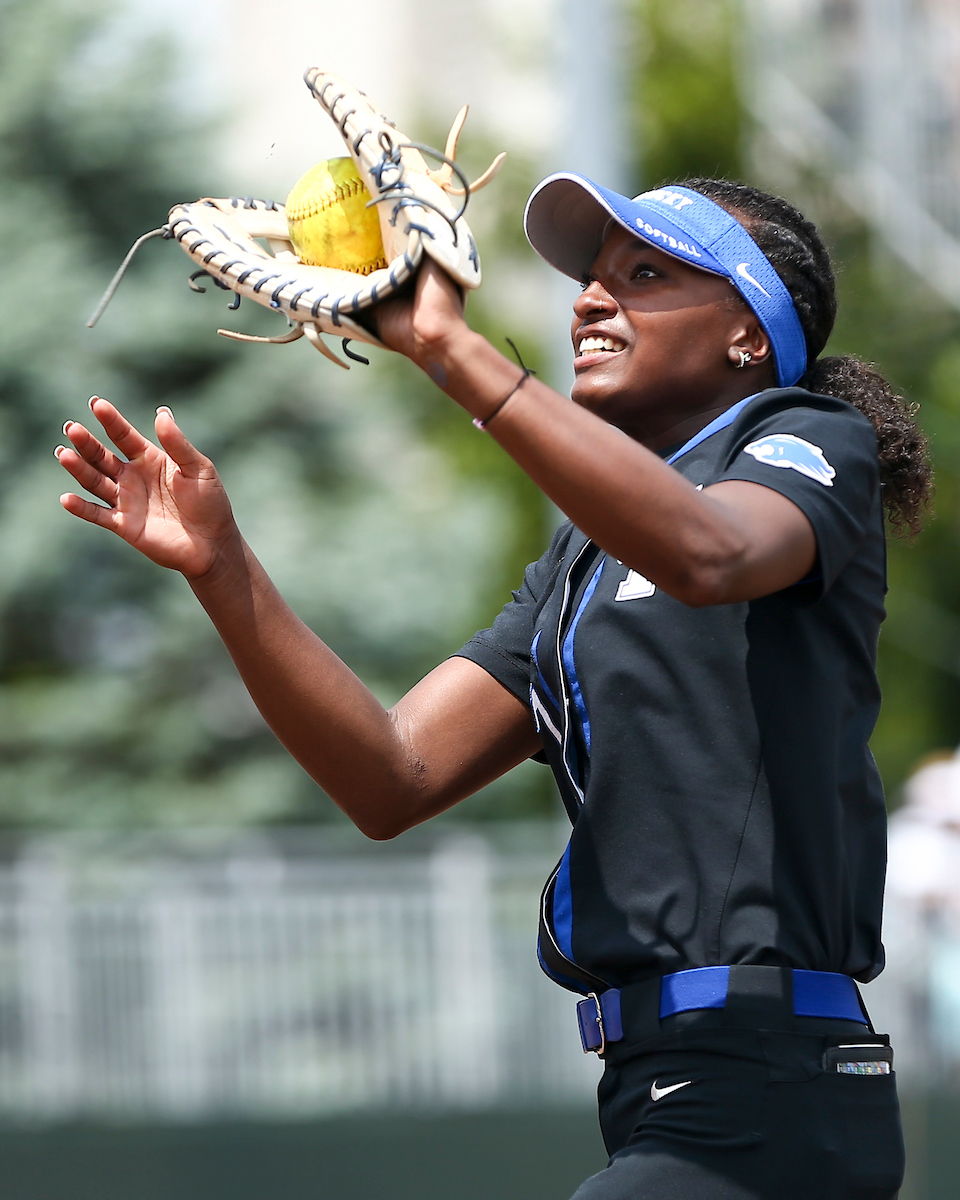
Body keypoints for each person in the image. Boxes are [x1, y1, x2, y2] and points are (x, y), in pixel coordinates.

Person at [56, 173, 929, 1198]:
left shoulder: (806, 443)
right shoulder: (582, 560)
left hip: (775, 1088)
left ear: (748, 331)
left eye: (644, 273)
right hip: (659, 1092)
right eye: (592, 278)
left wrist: (449, 350)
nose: (591, 300)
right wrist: (223, 566)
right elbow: (393, 775)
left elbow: (713, 555)